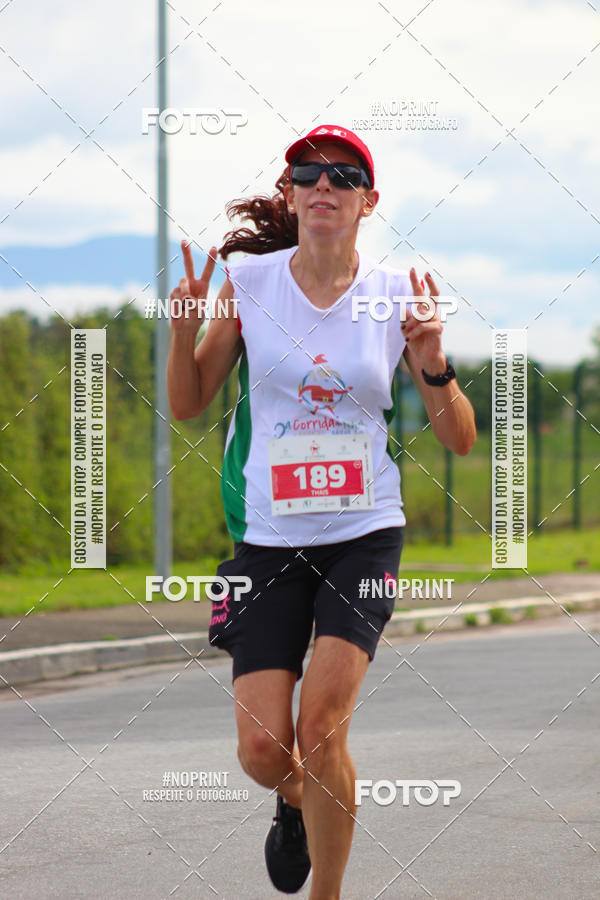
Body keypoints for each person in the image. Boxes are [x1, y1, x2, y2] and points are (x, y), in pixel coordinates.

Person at [167, 124, 476, 899]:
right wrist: (181, 334)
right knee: (266, 751)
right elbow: (188, 402)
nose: (324, 186)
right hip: (267, 539)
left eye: (343, 176)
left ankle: (327, 895)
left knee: (322, 725)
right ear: (290, 195)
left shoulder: (398, 294)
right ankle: (301, 800)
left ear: (369, 201)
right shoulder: (250, 283)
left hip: (364, 534)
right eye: (308, 173)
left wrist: (434, 361)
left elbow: (460, 439)